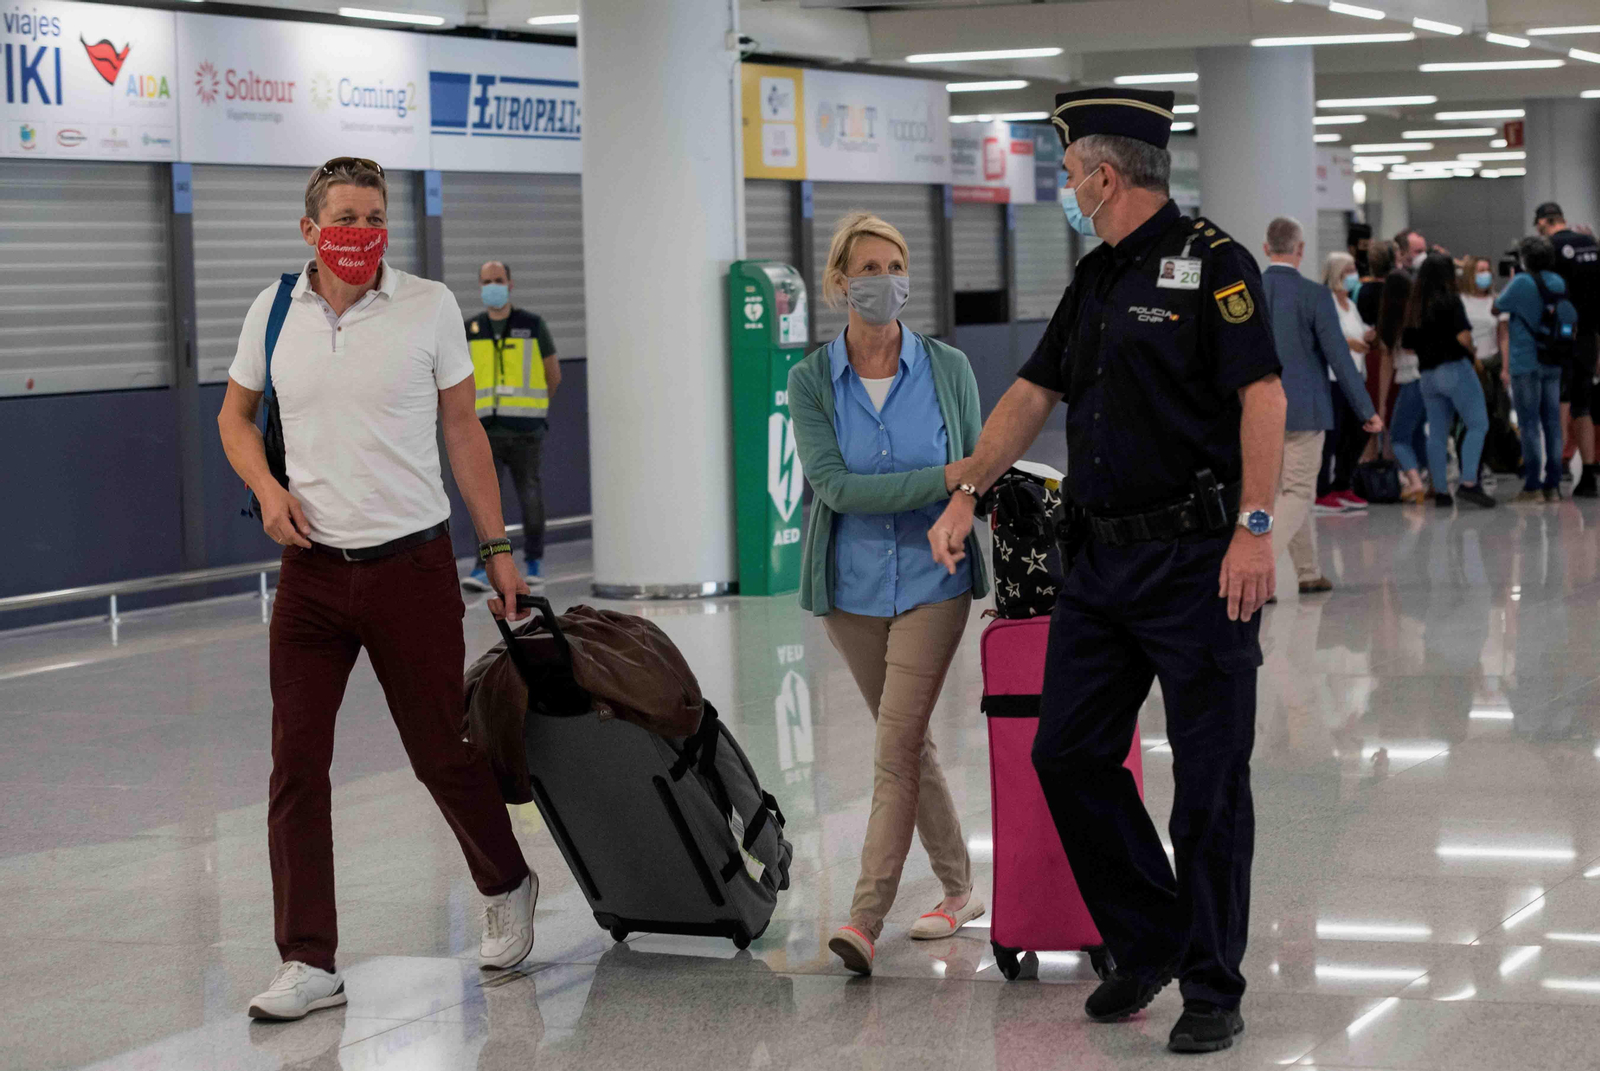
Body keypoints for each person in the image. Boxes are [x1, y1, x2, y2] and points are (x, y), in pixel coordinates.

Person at [928, 87, 1286, 1055]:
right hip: (1101, 565)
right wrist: (966, 487)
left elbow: (1262, 395)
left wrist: (1257, 528)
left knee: (1208, 784)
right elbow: (1028, 395)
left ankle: (1212, 984)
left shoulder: (1217, 265)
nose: (1069, 185)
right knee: (1066, 753)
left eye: (1071, 168)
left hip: (1199, 565)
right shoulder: (1092, 281)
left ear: (1105, 172)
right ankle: (1151, 935)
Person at [216, 158, 538, 1023]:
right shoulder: (274, 308)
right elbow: (233, 417)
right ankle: (307, 958)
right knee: (296, 766)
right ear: (309, 229)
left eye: (374, 214)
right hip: (313, 575)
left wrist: (497, 547)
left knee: (440, 747)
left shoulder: (428, 305)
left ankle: (507, 880)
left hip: (413, 566)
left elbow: (463, 429)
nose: (361, 229)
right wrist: (270, 492)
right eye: (344, 215)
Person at [787, 212, 992, 976]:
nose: (886, 280)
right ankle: (960, 886)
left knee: (893, 746)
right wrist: (941, 478)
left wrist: (957, 484)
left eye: (896, 264)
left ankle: (865, 916)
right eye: (869, 267)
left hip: (937, 579)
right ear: (841, 281)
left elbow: (976, 470)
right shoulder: (810, 379)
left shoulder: (948, 368)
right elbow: (835, 488)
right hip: (851, 587)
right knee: (907, 741)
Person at [1261, 224, 1380, 595]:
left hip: (1257, 410)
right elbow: (1340, 359)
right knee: (1297, 493)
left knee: (1278, 493)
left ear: (1266, 248)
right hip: (1304, 410)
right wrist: (1366, 410)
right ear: (1301, 248)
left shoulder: (1248, 291)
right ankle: (1259, 574)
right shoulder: (1314, 295)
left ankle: (1308, 571)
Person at [462, 261, 561, 591]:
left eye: (498, 280)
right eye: (487, 281)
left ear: (510, 284)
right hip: (484, 430)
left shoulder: (532, 325)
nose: (493, 286)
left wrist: (534, 409)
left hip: (525, 431)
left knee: (530, 497)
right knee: (485, 503)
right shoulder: (471, 329)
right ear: (480, 287)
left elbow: (553, 375)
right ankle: (483, 567)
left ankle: (534, 561)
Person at [1402, 253, 1496, 509]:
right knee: (1478, 424)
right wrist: (1473, 352)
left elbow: (1408, 346)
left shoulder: (1415, 305)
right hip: (1455, 369)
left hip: (1428, 376)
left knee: (1437, 434)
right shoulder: (1450, 301)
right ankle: (1469, 484)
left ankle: (1441, 492)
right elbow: (1464, 337)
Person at [1533, 202, 1600, 496]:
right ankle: (1588, 474)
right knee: (1582, 407)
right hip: (1588, 337)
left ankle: (1556, 472)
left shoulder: (1548, 248)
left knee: (1557, 406)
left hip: (1560, 338)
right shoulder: (1590, 244)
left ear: (1544, 223)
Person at [1497, 236, 1569, 501]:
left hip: (1525, 361)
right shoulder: (1557, 281)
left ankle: (1532, 486)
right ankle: (1553, 484)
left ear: (1525, 259)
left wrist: (1515, 279)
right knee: (1552, 423)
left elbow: (1498, 307)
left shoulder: (1521, 282)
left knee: (1529, 424)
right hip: (1553, 360)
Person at [1313, 251, 1378, 514]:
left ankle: (1343, 483)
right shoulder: (1325, 302)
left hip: (1354, 378)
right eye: (1349, 270)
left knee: (1359, 431)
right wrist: (1349, 342)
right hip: (1332, 379)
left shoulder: (1350, 304)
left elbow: (1358, 332)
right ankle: (1322, 491)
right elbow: (1325, 336)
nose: (1354, 276)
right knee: (1332, 436)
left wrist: (1368, 336)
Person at [1376, 247, 1429, 502]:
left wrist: (1383, 403)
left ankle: (1415, 482)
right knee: (1418, 433)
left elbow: (1387, 366)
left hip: (1410, 381)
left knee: (1398, 437)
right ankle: (1433, 479)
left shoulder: (1388, 322)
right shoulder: (1420, 314)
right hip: (1430, 378)